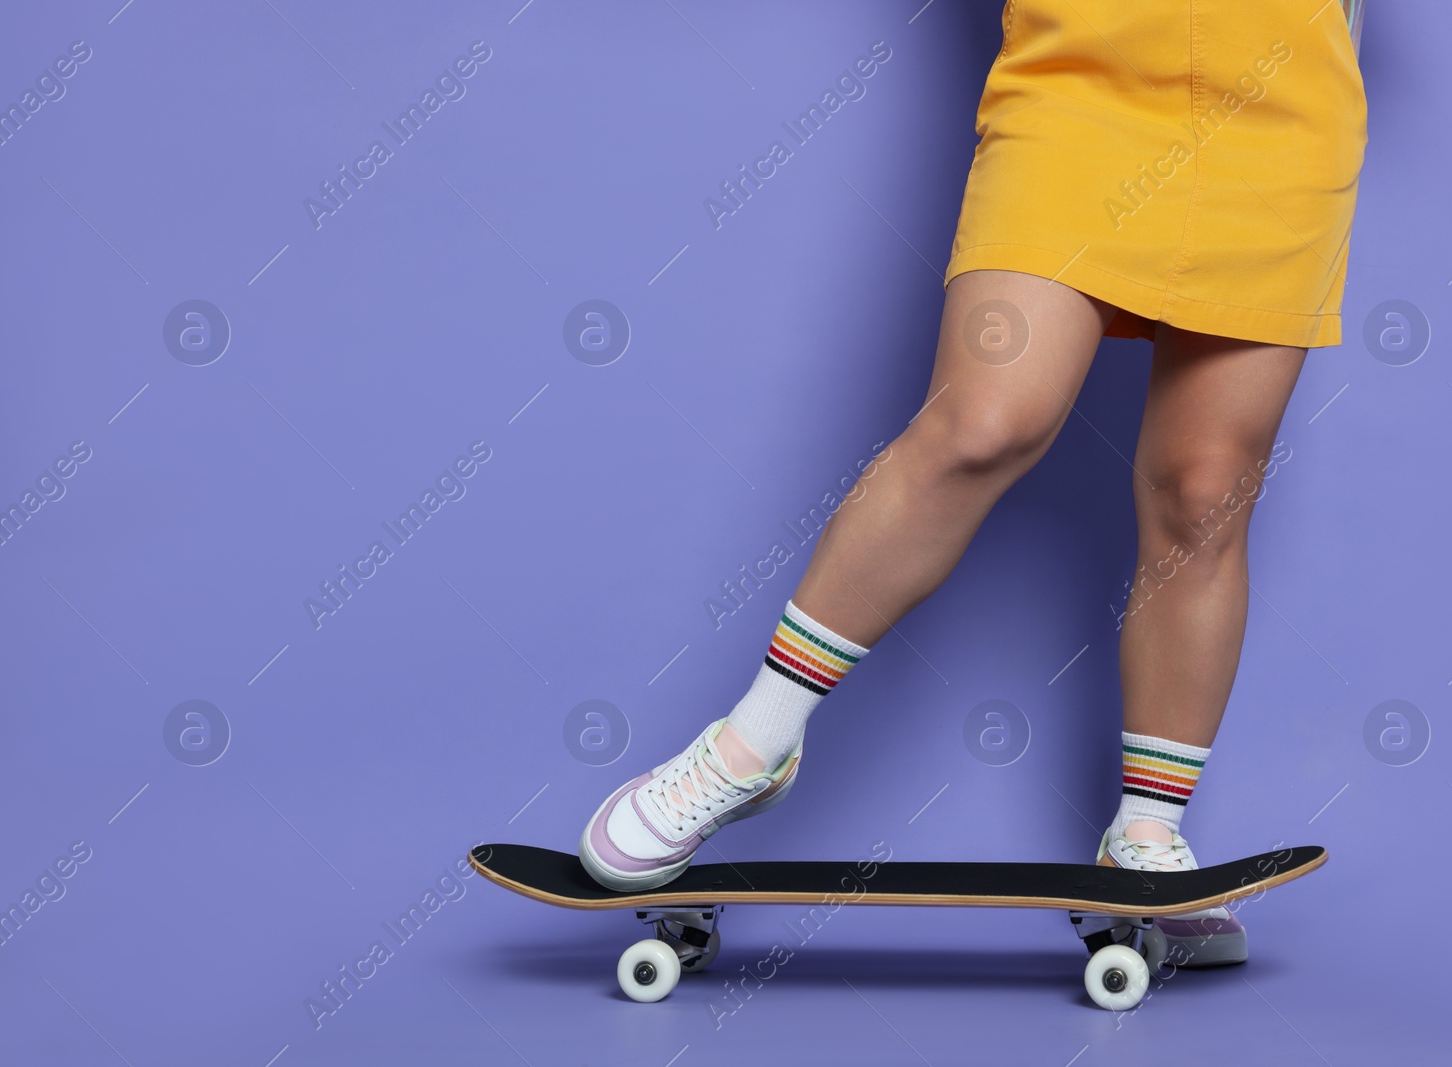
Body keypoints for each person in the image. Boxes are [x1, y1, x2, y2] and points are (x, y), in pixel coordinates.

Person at [578, 0, 1368, 968]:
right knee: (982, 421)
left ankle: (1147, 834)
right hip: (1080, 81)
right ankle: (751, 745)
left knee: (1203, 490)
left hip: (1279, 110)